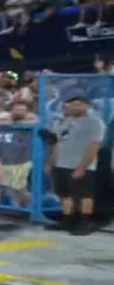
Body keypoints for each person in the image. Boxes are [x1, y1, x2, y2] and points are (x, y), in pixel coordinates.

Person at [45, 94, 104, 235]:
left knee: (85, 195)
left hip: (81, 165)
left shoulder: (95, 122)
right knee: (64, 194)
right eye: (70, 105)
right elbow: (57, 144)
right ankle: (67, 220)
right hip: (61, 164)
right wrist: (51, 162)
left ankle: (86, 222)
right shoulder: (63, 121)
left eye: (78, 104)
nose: (73, 107)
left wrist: (82, 167)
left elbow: (94, 147)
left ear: (87, 106)